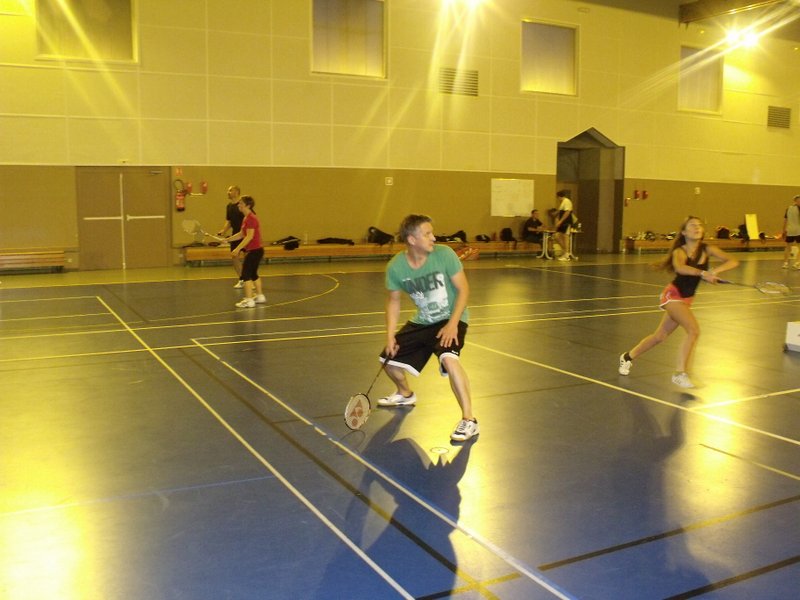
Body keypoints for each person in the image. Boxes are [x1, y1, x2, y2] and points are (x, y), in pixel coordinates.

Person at [378, 214, 479, 442]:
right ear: (412, 239)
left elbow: (463, 290)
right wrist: (390, 336)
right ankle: (405, 394)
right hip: (423, 320)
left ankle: (469, 420)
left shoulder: (445, 254)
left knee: (450, 360)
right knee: (388, 361)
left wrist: (453, 324)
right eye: (427, 234)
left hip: (452, 317)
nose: (433, 237)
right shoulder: (396, 267)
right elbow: (393, 301)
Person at [618, 216, 739, 388]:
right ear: (684, 232)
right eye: (692, 225)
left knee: (660, 336)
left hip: (686, 299)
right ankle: (680, 374)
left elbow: (733, 261)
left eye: (699, 225)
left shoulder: (707, 249)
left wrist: (715, 271)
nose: (697, 227)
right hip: (673, 295)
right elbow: (681, 268)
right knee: (694, 330)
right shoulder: (679, 252)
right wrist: (703, 273)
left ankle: (627, 357)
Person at [223, 195, 265, 308]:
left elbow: (249, 237)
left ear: (248, 205)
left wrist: (237, 249)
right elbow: (241, 234)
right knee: (253, 274)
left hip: (254, 251)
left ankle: (249, 300)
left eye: (241, 203)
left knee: (246, 275)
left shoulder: (251, 219)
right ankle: (260, 296)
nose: (239, 205)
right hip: (257, 251)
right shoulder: (246, 218)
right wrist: (228, 239)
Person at [217, 185, 245, 288]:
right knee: (234, 257)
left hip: (246, 235)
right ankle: (242, 279)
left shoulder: (243, 204)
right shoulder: (229, 206)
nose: (228, 192)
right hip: (235, 235)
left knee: (248, 258)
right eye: (228, 191)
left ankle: (250, 279)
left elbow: (250, 217)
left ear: (236, 192)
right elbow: (229, 221)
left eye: (230, 190)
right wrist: (223, 230)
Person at [553, 189, 573, 261]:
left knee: (565, 237)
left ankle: (566, 255)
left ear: (559, 196)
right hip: (562, 223)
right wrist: (557, 221)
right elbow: (559, 213)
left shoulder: (567, 201)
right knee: (556, 236)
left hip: (566, 222)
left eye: (557, 197)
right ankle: (565, 251)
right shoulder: (562, 203)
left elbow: (567, 212)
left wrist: (560, 221)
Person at [781, 194, 800, 269]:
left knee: (788, 247)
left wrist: (783, 230)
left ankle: (785, 263)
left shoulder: (788, 208)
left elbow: (785, 220)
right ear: (795, 201)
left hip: (790, 230)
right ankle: (797, 263)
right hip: (798, 230)